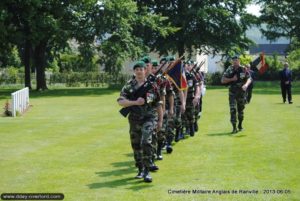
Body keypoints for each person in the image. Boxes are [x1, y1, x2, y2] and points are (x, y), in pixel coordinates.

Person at [117, 61, 163, 182]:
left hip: (149, 118)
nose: (139, 71)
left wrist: (160, 121)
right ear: (134, 72)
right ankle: (140, 169)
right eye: (136, 69)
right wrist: (135, 102)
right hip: (134, 119)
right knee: (136, 145)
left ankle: (147, 171)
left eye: (141, 69)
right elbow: (120, 101)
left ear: (145, 70)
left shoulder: (152, 85)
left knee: (146, 141)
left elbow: (158, 104)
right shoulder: (128, 85)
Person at [221, 55, 252, 134]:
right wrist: (232, 79)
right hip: (232, 93)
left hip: (241, 93)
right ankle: (234, 127)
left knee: (240, 110)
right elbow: (223, 80)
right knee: (233, 109)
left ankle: (240, 125)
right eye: (234, 60)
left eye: (237, 60)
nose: (235, 62)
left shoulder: (243, 69)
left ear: (239, 61)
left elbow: (249, 78)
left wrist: (246, 85)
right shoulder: (229, 69)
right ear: (232, 61)